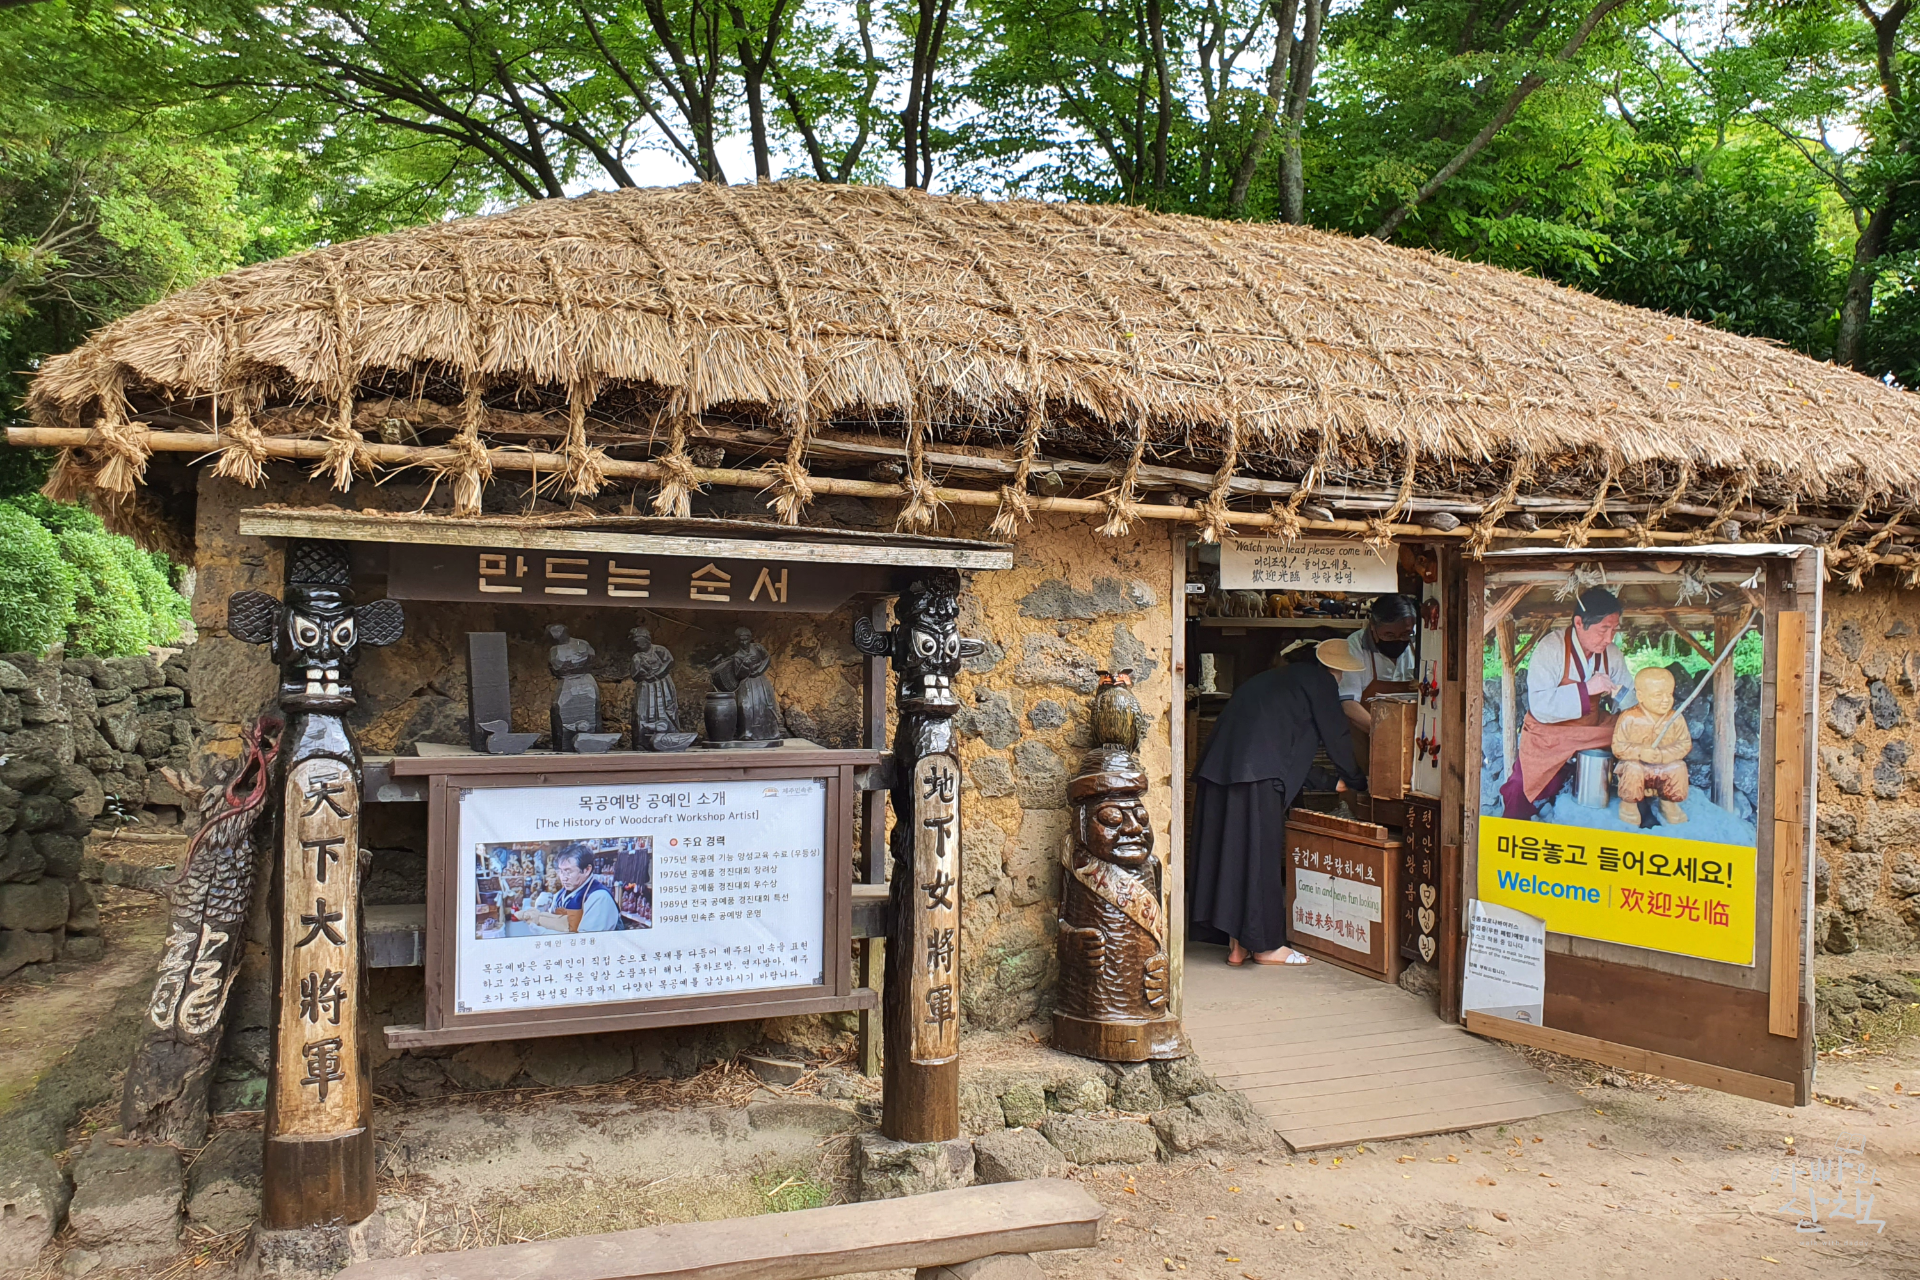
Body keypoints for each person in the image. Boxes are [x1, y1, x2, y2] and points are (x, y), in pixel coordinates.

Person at [1189, 639, 1369, 967]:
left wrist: (1330, 781)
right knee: (1260, 858)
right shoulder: (1320, 682)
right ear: (1334, 669)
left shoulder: (1275, 680)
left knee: (1234, 856)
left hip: (1220, 770)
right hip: (1256, 775)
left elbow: (1282, 746)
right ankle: (1266, 947)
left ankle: (1237, 946)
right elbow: (1337, 738)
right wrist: (1358, 780)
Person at [1496, 588, 1636, 820]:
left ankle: (1638, 805)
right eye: (1603, 629)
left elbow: (1630, 700)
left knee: (1636, 734)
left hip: (1592, 729)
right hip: (1549, 731)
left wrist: (1620, 695)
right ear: (1579, 623)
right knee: (1521, 786)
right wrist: (1587, 689)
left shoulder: (1612, 654)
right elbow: (1540, 705)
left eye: (1614, 630)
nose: (1609, 638)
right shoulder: (1551, 648)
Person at [1338, 594, 1420, 762]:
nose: (1398, 640)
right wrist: (1386, 734)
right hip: (1366, 735)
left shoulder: (1419, 640)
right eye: (1389, 635)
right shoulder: (1354, 646)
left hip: (1413, 737)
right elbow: (1348, 704)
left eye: (1405, 634)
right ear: (1373, 627)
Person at [1611, 666, 1690, 827]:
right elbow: (1618, 746)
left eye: (1669, 694)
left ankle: (1668, 803)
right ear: (1640, 696)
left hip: (1664, 767)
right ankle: (1629, 805)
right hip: (1637, 767)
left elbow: (1684, 744)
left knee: (1678, 767)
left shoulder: (1675, 718)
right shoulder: (1629, 717)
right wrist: (1640, 752)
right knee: (1632, 768)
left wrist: (1663, 754)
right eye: (1658, 695)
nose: (1666, 700)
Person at [553, 844, 621, 932]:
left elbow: (587, 938)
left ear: (587, 870)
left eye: (568, 872)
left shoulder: (600, 897)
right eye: (561, 872)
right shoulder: (560, 895)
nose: (563, 878)